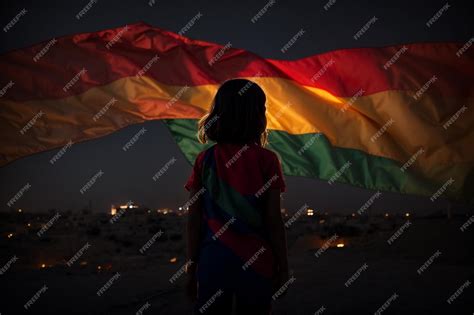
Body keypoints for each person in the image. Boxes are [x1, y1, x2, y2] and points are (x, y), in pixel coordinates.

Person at [184, 79, 289, 315]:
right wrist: (283, 267)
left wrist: (191, 270)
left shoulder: (205, 160)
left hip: (213, 262)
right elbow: (273, 221)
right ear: (257, 117)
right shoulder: (267, 160)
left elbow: (193, 220)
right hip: (257, 262)